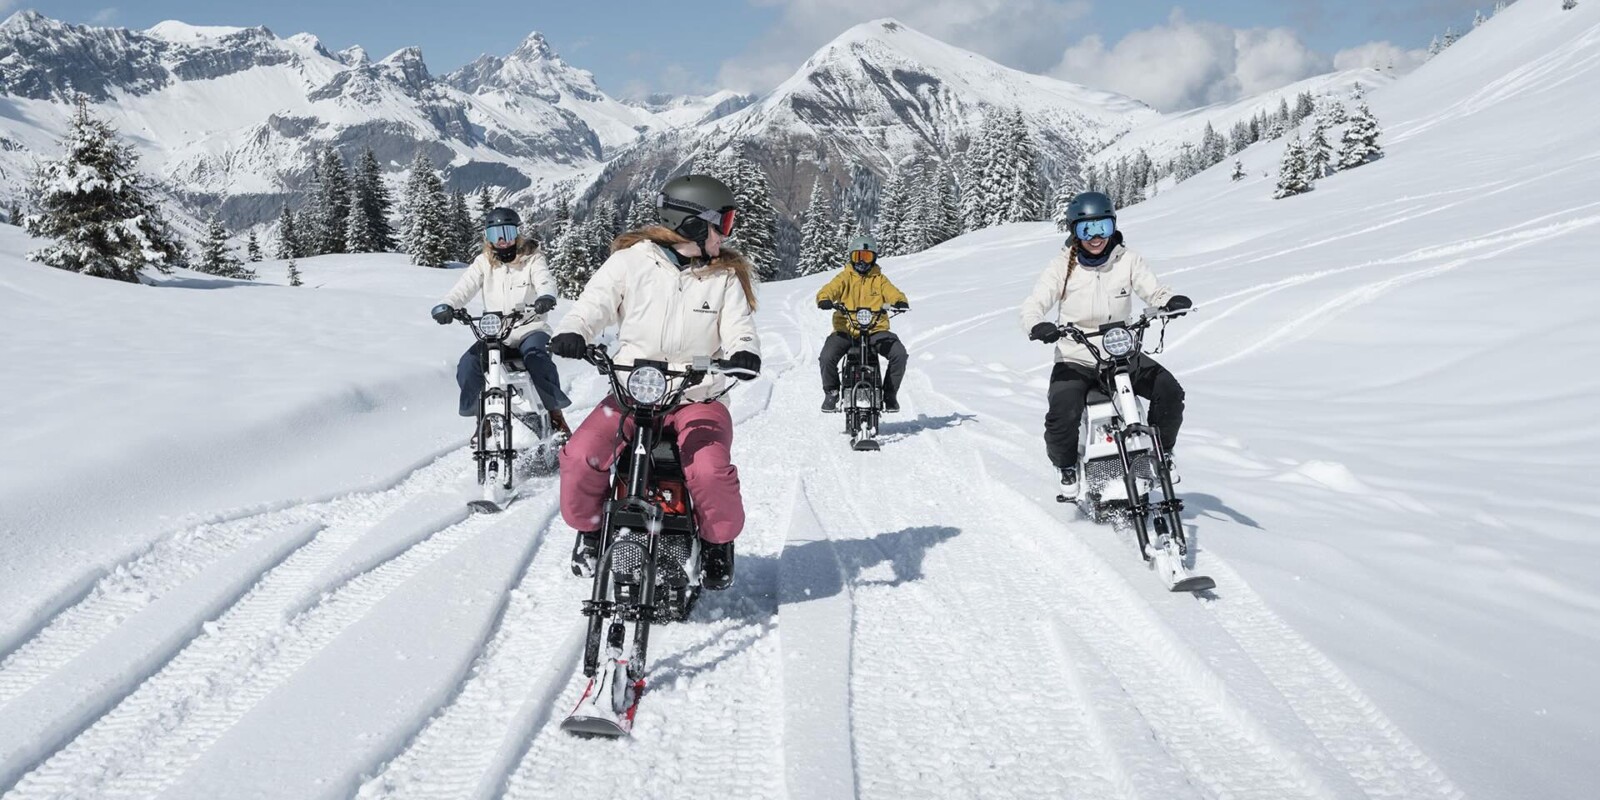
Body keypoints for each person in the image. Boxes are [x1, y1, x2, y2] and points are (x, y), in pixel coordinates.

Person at [548, 175, 761, 591]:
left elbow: (740, 328)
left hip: (698, 393)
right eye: (725, 223)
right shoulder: (632, 261)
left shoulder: (723, 278)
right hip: (632, 391)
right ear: (695, 224)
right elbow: (594, 305)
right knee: (580, 455)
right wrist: (575, 330)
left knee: (710, 469)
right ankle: (591, 531)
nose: (727, 235)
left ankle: (718, 543)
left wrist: (743, 352)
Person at [1019, 191, 1193, 494]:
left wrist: (1168, 301)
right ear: (1074, 231)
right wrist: (1038, 324)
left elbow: (1153, 290)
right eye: (1087, 229)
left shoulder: (1127, 260)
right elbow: (1034, 303)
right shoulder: (1062, 266)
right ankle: (1067, 467)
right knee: (1062, 412)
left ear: (1113, 226)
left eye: (1103, 227)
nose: (1096, 237)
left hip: (1121, 351)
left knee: (1169, 391)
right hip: (1077, 355)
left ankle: (1161, 453)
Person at [431, 207, 572, 437]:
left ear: (517, 233)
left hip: (530, 327)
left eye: (507, 232)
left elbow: (544, 280)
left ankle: (555, 414)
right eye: (496, 234)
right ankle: (482, 419)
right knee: (469, 365)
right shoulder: (483, 263)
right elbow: (463, 288)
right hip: (497, 333)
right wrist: (448, 305)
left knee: (538, 359)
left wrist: (546, 297)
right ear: (487, 237)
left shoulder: (532, 259)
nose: (502, 240)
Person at [815, 233, 910, 413]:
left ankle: (889, 393)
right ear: (851, 257)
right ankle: (832, 392)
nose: (862, 262)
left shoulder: (879, 279)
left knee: (899, 354)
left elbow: (893, 293)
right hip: (846, 330)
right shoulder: (844, 277)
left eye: (867, 257)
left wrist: (899, 301)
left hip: (876, 330)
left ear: (873, 258)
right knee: (827, 357)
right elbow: (829, 290)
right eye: (858, 256)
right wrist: (825, 299)